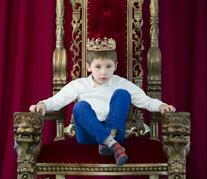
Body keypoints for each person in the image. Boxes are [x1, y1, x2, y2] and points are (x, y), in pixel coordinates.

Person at [29, 37, 175, 165]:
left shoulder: (121, 82)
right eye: (98, 67)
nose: (103, 72)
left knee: (123, 94)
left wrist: (161, 105)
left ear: (115, 66)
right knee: (80, 106)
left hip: (115, 129)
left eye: (108, 66)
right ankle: (112, 143)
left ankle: (109, 140)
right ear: (88, 67)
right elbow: (57, 100)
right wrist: (43, 104)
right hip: (87, 134)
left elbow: (146, 101)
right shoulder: (80, 84)